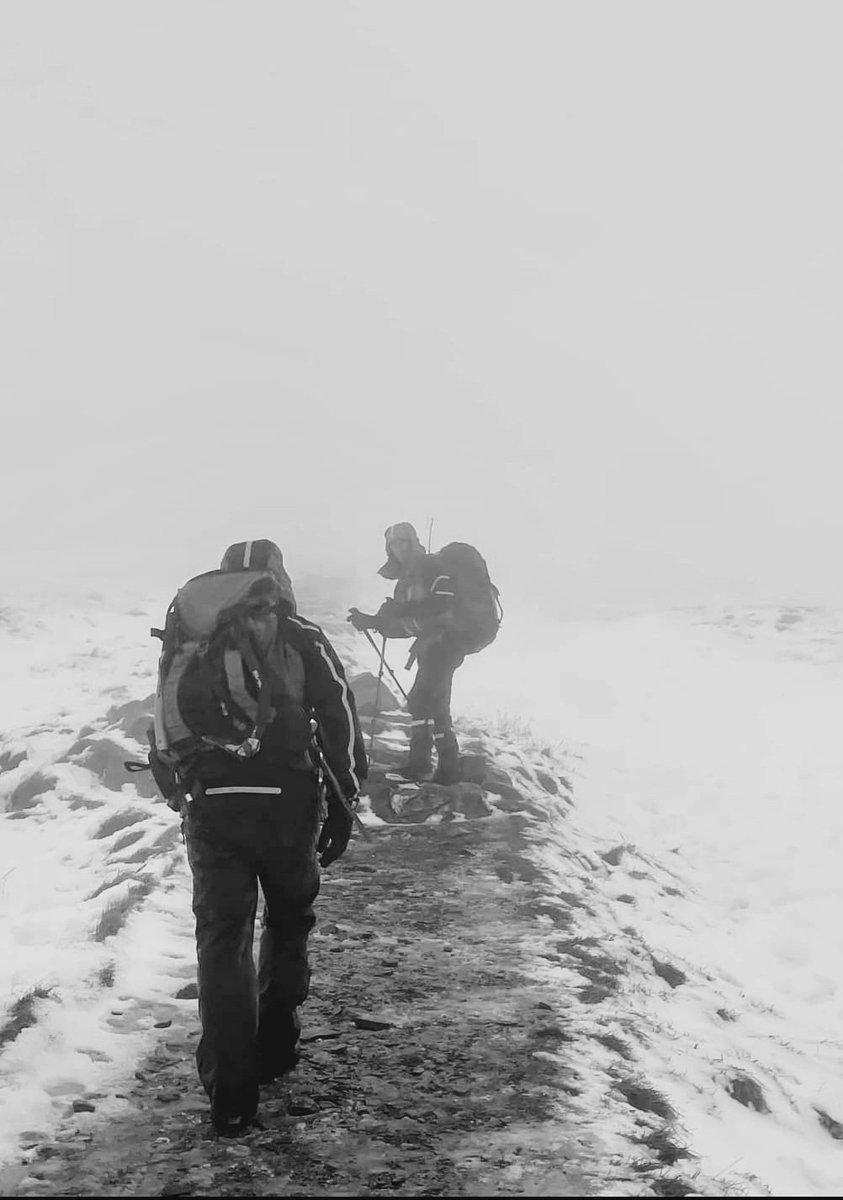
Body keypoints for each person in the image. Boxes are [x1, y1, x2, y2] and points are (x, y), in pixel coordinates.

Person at [155, 539, 367, 1137]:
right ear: (277, 578)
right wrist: (345, 802)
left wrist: (185, 798)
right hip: (288, 803)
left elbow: (169, 722)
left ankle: (230, 1092)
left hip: (211, 805)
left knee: (222, 940)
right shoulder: (301, 635)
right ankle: (276, 1044)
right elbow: (340, 719)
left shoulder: (191, 633)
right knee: (288, 917)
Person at [347, 522, 466, 785]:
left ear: (412, 542)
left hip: (446, 643)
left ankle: (439, 767)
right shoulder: (405, 580)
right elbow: (405, 626)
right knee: (426, 702)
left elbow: (443, 604)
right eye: (392, 544)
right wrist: (373, 621)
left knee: (426, 701)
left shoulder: (431, 566)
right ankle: (431, 765)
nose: (397, 548)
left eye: (402, 542)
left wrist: (398, 613)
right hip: (429, 646)